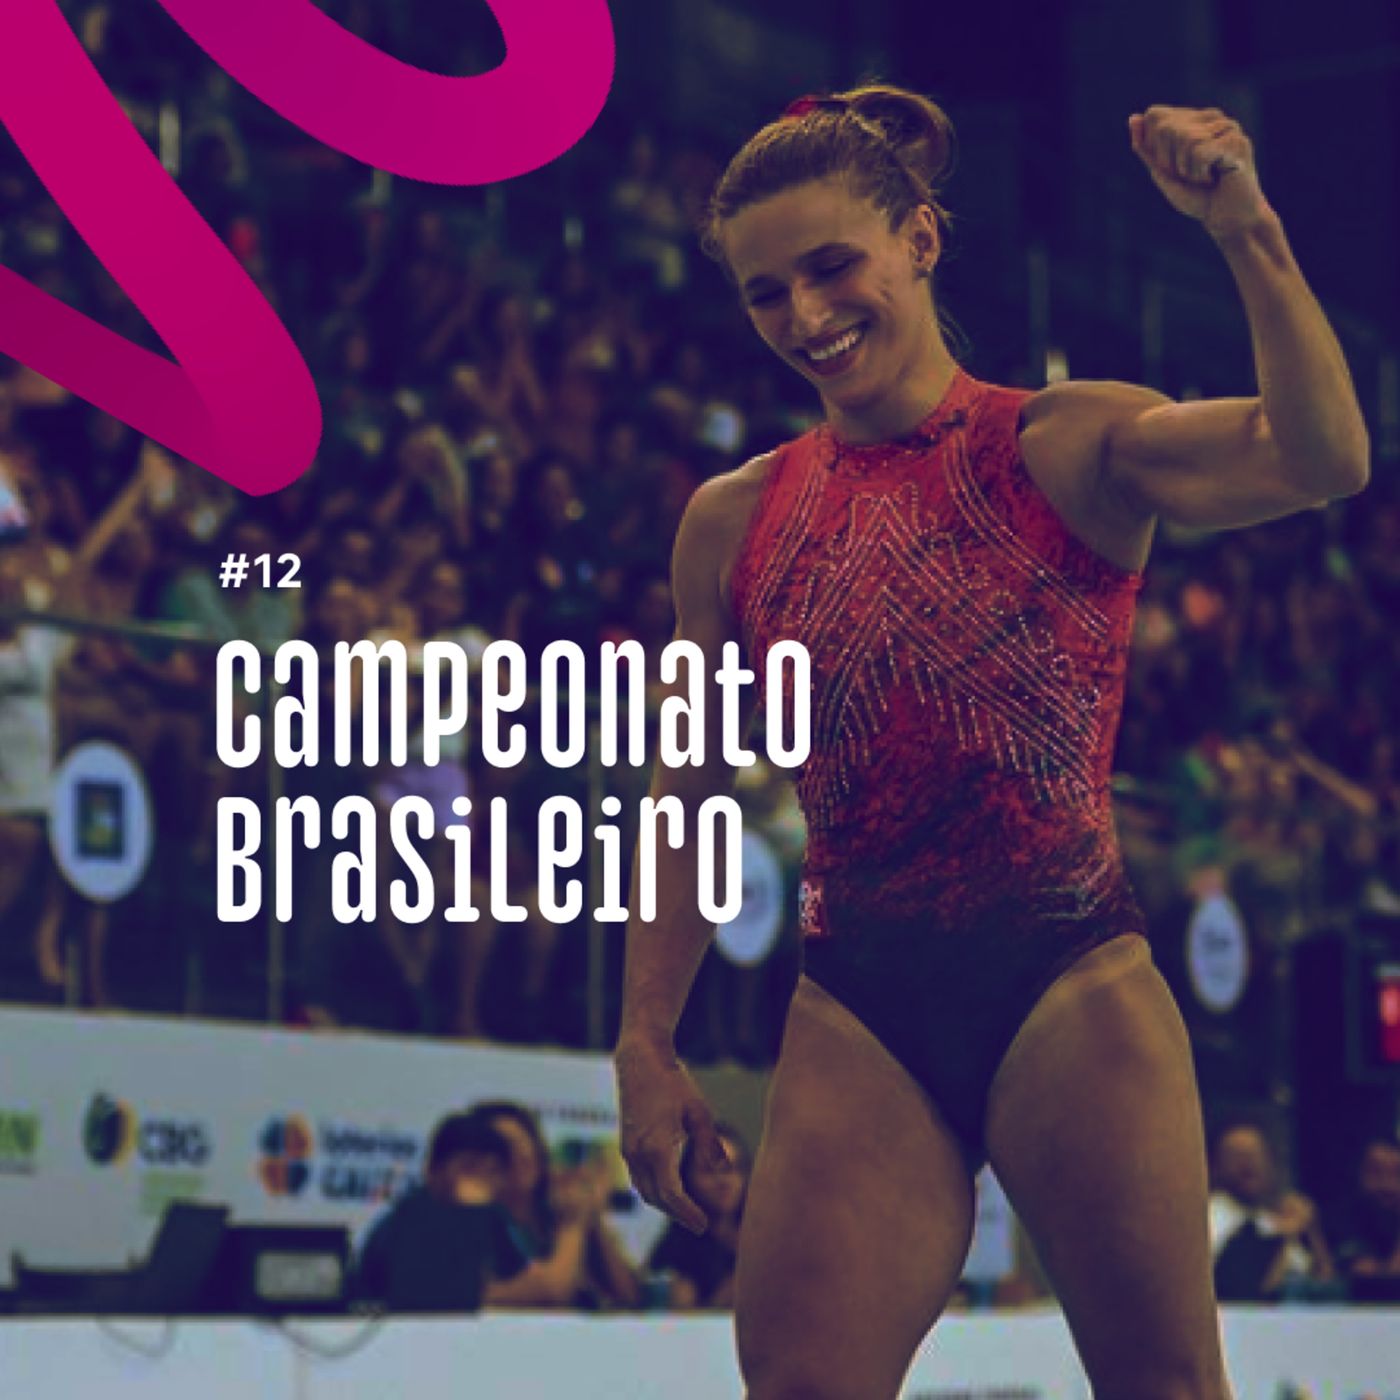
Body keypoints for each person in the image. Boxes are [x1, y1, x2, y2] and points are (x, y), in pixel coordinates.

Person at [613, 83, 1370, 1400]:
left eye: (832, 266)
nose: (804, 315)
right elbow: (685, 795)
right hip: (859, 1001)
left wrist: (1244, 232)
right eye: (764, 292)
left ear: (920, 237)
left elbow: (1320, 459)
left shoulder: (1064, 444)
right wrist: (644, 1039)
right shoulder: (731, 521)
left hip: (1066, 974)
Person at [353, 1110, 530, 1312]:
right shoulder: (397, 1225)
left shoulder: (496, 1221)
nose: (478, 1181)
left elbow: (522, 1285)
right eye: (469, 1167)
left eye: (491, 1170)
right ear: (433, 1169)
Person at [1207, 1119, 1334, 1302]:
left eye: (1256, 1154)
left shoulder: (1271, 1221)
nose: (1248, 1163)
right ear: (1215, 1165)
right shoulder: (1207, 1218)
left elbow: (1322, 1284)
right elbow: (1244, 1289)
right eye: (1237, 1155)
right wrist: (1284, 1236)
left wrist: (1311, 1229)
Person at [646, 1122, 749, 1310]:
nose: (725, 1181)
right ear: (688, 1178)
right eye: (710, 1171)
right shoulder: (676, 1252)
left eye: (732, 1169)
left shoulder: (760, 1238)